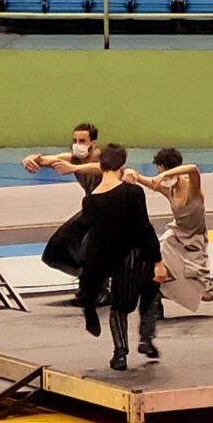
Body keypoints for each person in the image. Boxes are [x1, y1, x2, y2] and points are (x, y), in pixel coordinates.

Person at [123, 148, 213, 317]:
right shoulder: (168, 189)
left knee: (204, 293)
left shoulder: (193, 188)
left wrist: (163, 176)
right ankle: (156, 299)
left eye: (166, 174)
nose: (163, 178)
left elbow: (193, 168)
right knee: (154, 265)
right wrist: (133, 173)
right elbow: (142, 179)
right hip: (175, 238)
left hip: (194, 242)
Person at [79, 144, 167, 371]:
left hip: (113, 259)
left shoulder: (90, 201)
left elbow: (95, 237)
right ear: (123, 165)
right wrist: (158, 260)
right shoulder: (132, 192)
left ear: (101, 166)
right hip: (140, 256)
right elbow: (144, 228)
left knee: (120, 307)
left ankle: (120, 353)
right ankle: (146, 338)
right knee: (150, 294)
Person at [21, 122, 111, 306]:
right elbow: (46, 160)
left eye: (82, 140)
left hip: (111, 211)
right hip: (91, 209)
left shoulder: (105, 158)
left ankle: (102, 289)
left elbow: (105, 168)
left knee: (92, 246)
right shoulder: (72, 159)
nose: (77, 144)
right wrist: (30, 159)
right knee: (58, 248)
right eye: (75, 140)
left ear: (93, 143)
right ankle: (87, 282)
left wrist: (75, 169)